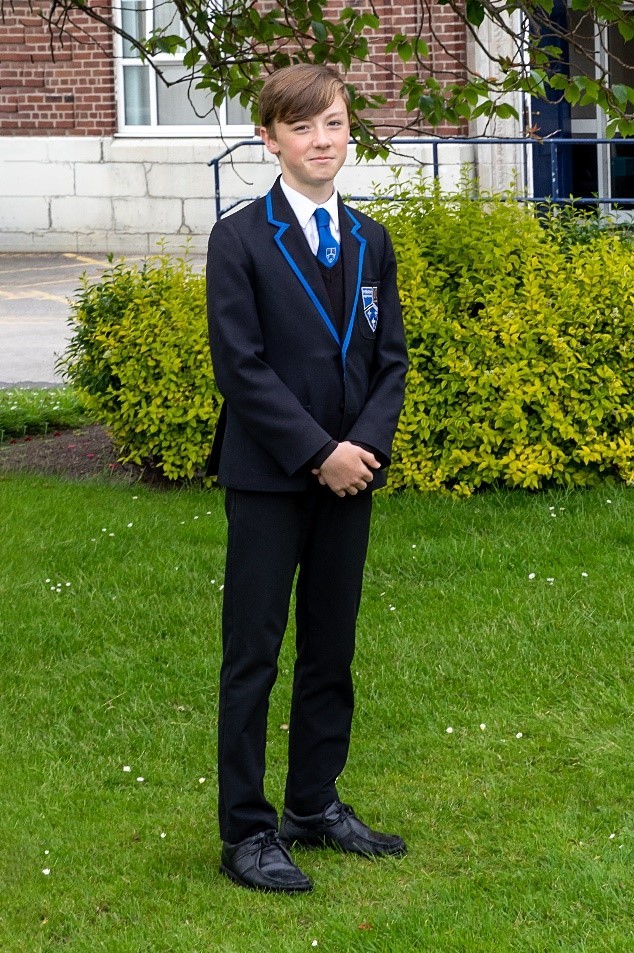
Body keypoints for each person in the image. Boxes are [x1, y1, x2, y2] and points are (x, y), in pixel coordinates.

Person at [206, 62, 408, 894]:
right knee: (253, 652)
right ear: (269, 138)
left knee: (332, 645)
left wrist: (359, 448)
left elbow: (389, 360)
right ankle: (247, 831)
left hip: (349, 477)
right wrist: (316, 450)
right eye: (302, 127)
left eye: (334, 124)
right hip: (270, 476)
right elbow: (241, 370)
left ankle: (314, 803)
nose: (321, 141)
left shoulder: (370, 239)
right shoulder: (240, 238)